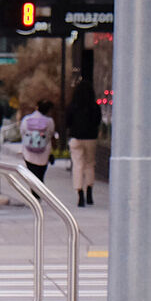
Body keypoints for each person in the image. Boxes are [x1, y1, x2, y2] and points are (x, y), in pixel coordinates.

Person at [65, 77, 101, 207]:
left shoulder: (72, 106)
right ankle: (89, 191)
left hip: (76, 138)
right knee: (90, 164)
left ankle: (80, 193)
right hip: (91, 138)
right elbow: (97, 121)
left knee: (78, 165)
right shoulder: (94, 106)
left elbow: (67, 122)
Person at [19, 99, 56, 181]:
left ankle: (33, 193)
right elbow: (50, 134)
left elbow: (22, 132)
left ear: (37, 107)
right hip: (44, 153)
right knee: (40, 177)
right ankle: (39, 193)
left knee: (32, 178)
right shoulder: (49, 121)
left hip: (29, 154)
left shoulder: (26, 119)